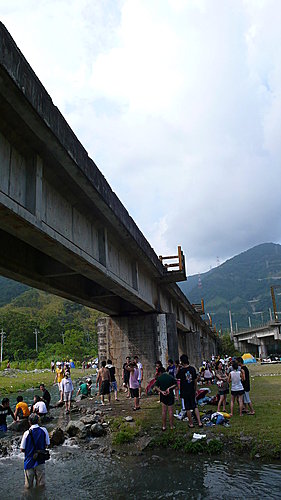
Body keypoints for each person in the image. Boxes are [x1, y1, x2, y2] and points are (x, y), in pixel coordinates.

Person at [20, 413, 50, 490]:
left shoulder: (27, 433)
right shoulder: (44, 430)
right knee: (41, 485)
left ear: (29, 422)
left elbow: (22, 449)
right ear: (38, 421)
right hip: (40, 461)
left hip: (29, 462)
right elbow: (47, 444)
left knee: (28, 487)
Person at [177, 354, 203, 428]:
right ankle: (199, 422)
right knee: (195, 406)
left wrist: (178, 368)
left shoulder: (181, 371)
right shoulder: (192, 369)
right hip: (192, 389)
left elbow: (177, 376)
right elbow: (195, 380)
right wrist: (196, 388)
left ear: (182, 361)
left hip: (185, 391)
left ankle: (191, 423)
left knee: (187, 407)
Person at [155, 366, 177, 431]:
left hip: (163, 395)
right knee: (170, 411)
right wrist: (169, 388)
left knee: (164, 411)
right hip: (170, 395)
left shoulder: (159, 378)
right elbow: (176, 384)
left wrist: (161, 391)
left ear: (160, 372)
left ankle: (164, 426)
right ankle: (171, 426)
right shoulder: (170, 377)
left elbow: (155, 387)